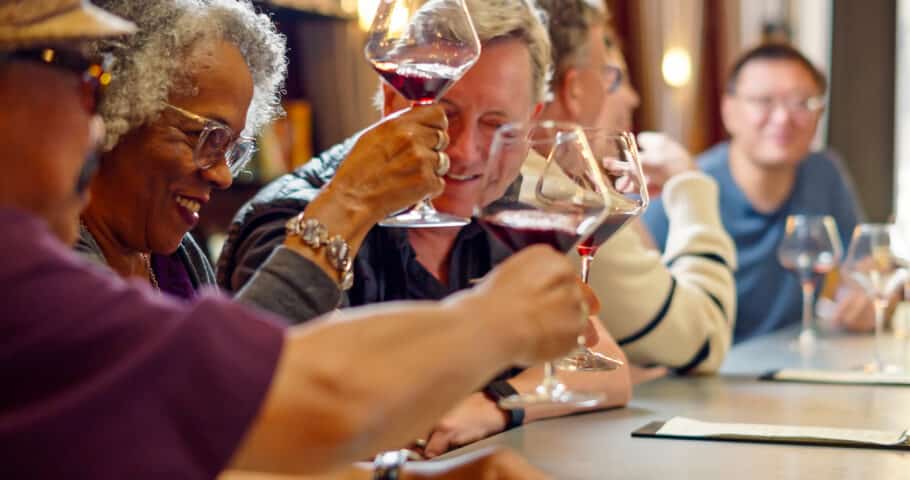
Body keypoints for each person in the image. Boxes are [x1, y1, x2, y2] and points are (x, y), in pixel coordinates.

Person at [0, 1, 590, 478]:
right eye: (86, 79)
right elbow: (258, 399)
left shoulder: (171, 259)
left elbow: (234, 455)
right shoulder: (24, 277)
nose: (96, 113)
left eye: (234, 146)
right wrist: (495, 319)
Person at [218, 0, 632, 459]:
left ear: (531, 122)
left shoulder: (511, 214)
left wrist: (493, 405)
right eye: (446, 115)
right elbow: (283, 406)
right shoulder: (296, 221)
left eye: (497, 125)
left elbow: (602, 366)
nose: (466, 151)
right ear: (397, 100)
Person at [75, 0, 457, 326]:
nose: (223, 175)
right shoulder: (53, 266)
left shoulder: (175, 260)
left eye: (232, 149)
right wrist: (347, 203)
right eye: (208, 137)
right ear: (117, 108)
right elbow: (205, 383)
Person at [533, 0, 737, 376]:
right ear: (574, 89)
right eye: (610, 77)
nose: (631, 97)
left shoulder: (555, 186)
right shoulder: (552, 198)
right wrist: (691, 189)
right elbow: (702, 340)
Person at [643, 43, 869, 343]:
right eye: (763, 101)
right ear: (728, 111)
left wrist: (866, 293)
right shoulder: (686, 186)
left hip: (790, 367)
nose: (782, 119)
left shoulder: (824, 173)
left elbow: (866, 261)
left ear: (820, 113)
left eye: (802, 103)